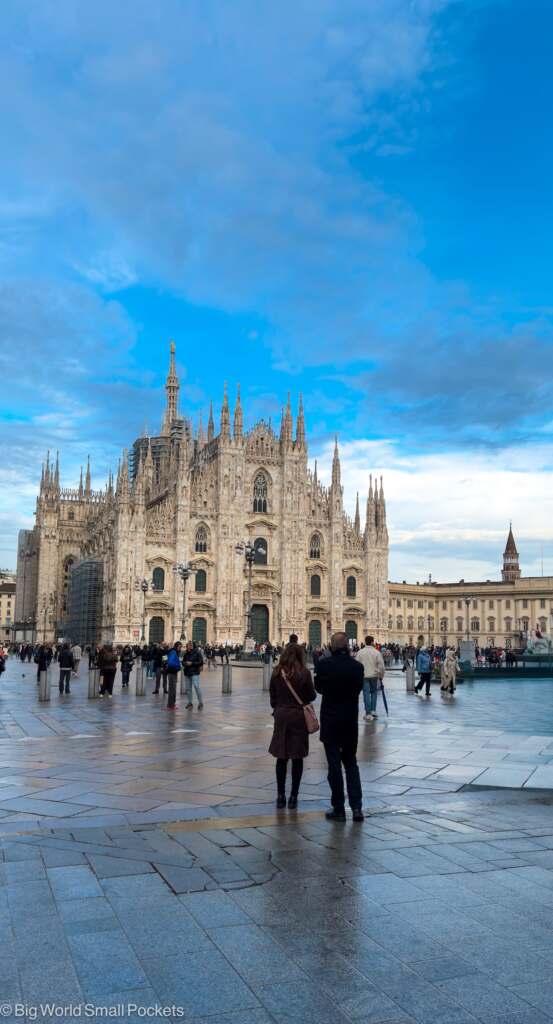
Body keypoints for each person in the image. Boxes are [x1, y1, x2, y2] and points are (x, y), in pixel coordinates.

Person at [314, 632, 364, 822]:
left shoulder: (324, 665)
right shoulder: (357, 667)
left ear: (331, 646)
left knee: (334, 766)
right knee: (351, 764)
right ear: (348, 646)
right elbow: (358, 688)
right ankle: (357, 808)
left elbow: (318, 688)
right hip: (350, 722)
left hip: (331, 721)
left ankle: (339, 808)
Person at [269, 643, 317, 809]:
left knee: (281, 756)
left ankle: (280, 796)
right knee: (297, 757)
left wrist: (278, 708)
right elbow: (311, 695)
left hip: (281, 716)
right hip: (298, 716)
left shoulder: (276, 672)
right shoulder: (304, 673)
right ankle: (294, 797)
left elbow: (272, 697)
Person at [356, 636, 385, 721]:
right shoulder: (376, 652)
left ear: (365, 642)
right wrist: (381, 675)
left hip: (364, 676)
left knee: (366, 694)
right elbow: (381, 666)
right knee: (374, 693)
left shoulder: (360, 652)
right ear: (372, 642)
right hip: (374, 676)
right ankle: (373, 710)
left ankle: (368, 713)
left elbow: (357, 665)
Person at [182, 641, 204, 709]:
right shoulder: (186, 653)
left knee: (196, 686)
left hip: (194, 672)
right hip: (187, 672)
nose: (187, 646)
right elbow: (183, 662)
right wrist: (185, 663)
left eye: (189, 645)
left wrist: (192, 663)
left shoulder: (198, 652)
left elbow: (201, 662)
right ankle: (190, 703)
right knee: (188, 689)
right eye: (187, 645)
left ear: (192, 646)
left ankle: (200, 702)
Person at [166, 642, 182, 709]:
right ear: (176, 646)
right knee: (173, 689)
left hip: (171, 672)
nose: (180, 648)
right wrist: (178, 667)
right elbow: (171, 662)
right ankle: (171, 705)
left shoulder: (172, 651)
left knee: (171, 688)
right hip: (172, 672)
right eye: (179, 647)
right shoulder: (174, 652)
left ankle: (170, 704)